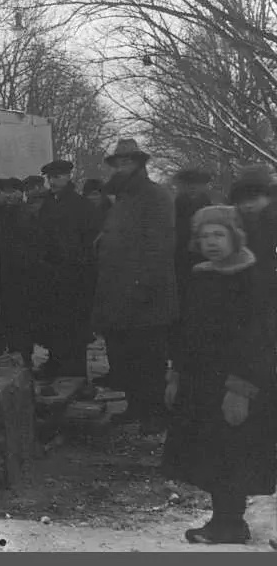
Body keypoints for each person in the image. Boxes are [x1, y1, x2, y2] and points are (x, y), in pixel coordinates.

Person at [162, 205, 276, 545]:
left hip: (239, 380)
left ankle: (231, 522)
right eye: (205, 235)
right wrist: (176, 375)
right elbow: (186, 330)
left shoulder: (253, 279)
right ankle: (224, 522)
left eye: (219, 234)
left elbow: (259, 338)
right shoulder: (200, 276)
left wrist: (241, 388)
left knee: (235, 452)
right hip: (202, 381)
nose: (211, 242)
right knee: (213, 452)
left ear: (235, 237)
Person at [92, 139, 177, 435]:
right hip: (117, 293)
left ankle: (156, 413)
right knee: (123, 356)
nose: (120, 167)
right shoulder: (120, 198)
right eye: (117, 163)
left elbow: (159, 247)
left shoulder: (155, 196)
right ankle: (135, 407)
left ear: (140, 164)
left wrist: (143, 287)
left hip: (146, 295)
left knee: (149, 357)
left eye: (127, 162)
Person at [33, 160, 99, 381]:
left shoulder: (82, 206)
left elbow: (90, 242)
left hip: (75, 276)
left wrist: (78, 265)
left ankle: (75, 374)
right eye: (50, 177)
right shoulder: (48, 205)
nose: (52, 181)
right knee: (54, 325)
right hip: (52, 275)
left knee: (75, 328)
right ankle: (55, 365)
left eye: (57, 177)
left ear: (68, 176)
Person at [0, 177, 41, 363]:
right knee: (6, 316)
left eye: (12, 191)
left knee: (20, 318)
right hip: (5, 273)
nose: (9, 196)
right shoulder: (1, 214)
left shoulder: (25, 213)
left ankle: (23, 356)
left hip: (21, 274)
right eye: (6, 192)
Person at [228, 165, 277, 317]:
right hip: (244, 287)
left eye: (254, 199)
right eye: (242, 201)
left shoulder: (272, 221)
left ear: (268, 198)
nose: (248, 205)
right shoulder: (235, 223)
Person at [173, 169, 212, 306]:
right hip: (180, 256)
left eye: (197, 183)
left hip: (205, 255)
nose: (193, 187)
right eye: (188, 184)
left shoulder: (210, 207)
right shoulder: (175, 206)